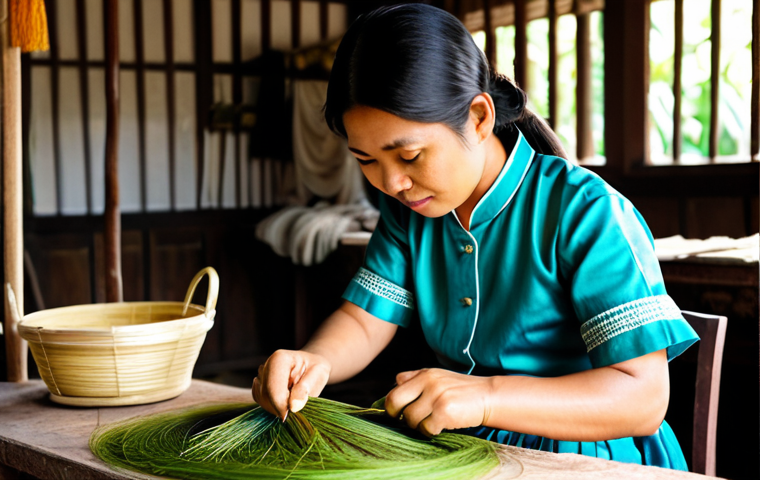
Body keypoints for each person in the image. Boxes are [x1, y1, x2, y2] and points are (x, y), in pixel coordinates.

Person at [252, 3, 699, 470]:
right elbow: (364, 321)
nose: (390, 183)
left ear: (480, 117)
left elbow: (644, 398)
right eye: (366, 160)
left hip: (581, 456)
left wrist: (486, 397)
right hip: (459, 443)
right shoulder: (409, 214)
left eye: (409, 156)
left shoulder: (585, 211)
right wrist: (313, 361)